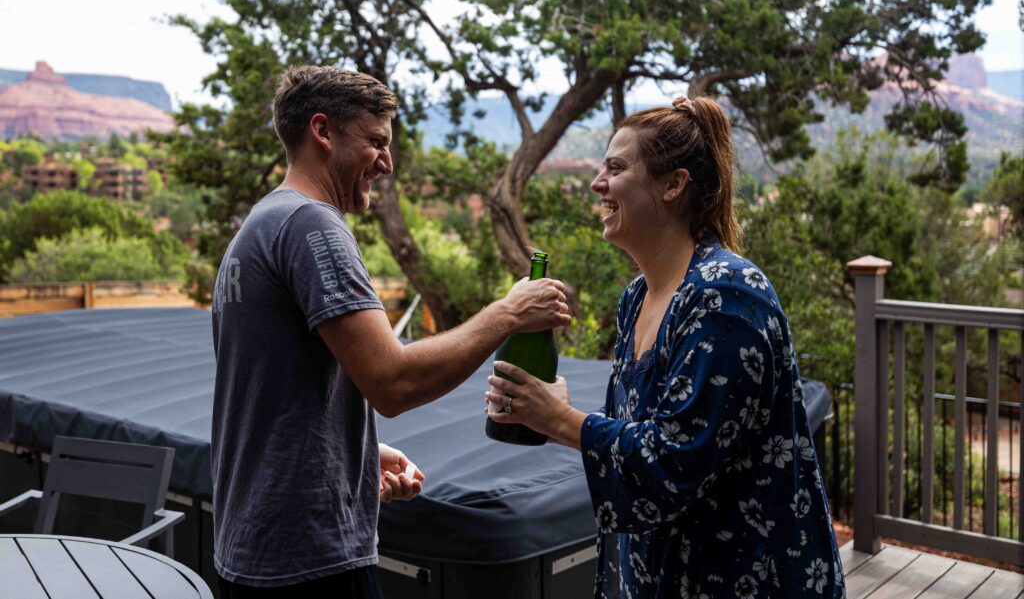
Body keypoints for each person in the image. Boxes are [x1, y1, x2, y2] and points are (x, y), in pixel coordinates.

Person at [211, 66, 570, 597]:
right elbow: (392, 384)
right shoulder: (312, 224)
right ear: (323, 132)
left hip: (252, 547)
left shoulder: (262, 223)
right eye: (376, 141)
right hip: (308, 560)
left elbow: (270, 392)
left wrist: (350, 456)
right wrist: (508, 314)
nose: (387, 162)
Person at [486, 96, 843, 598]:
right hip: (664, 574)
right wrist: (549, 411)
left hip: (743, 577)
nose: (597, 183)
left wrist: (560, 421)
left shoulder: (725, 294)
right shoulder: (637, 297)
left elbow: (677, 460)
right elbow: (635, 437)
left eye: (615, 167)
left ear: (674, 184)